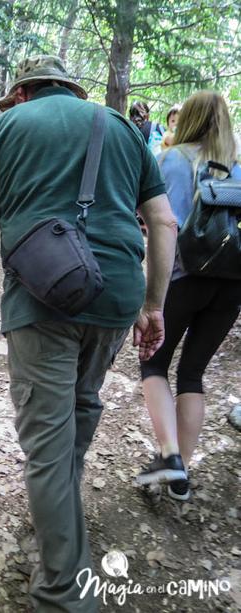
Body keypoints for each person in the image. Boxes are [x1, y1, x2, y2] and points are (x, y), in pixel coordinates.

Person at [0, 54, 177, 612]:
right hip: (116, 295)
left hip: (40, 297)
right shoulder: (120, 127)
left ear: (23, 92)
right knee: (82, 402)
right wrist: (153, 304)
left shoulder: (5, 128)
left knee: (46, 441)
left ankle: (66, 593)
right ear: (70, 89)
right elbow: (164, 222)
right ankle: (60, 513)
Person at [136, 91, 241, 501]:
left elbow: (161, 225)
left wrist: (150, 297)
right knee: (192, 373)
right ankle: (179, 478)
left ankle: (170, 456)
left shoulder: (173, 159)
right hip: (232, 282)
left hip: (183, 276)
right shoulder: (237, 166)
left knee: (154, 363)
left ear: (189, 119)